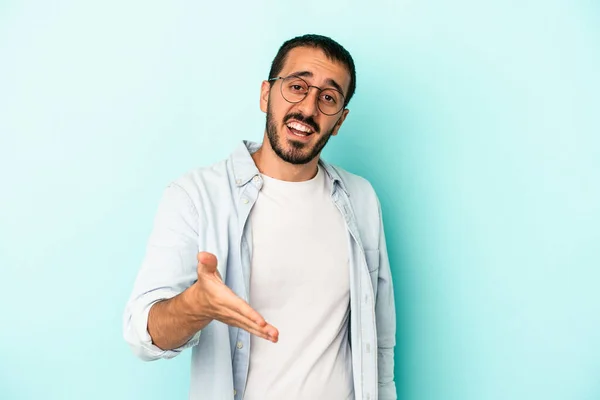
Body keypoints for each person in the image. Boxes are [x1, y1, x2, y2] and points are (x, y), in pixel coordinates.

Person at [123, 34, 396, 400]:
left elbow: (378, 341)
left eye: (328, 97)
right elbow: (143, 336)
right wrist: (196, 305)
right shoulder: (197, 196)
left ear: (340, 120)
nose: (309, 108)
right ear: (266, 94)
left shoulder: (361, 198)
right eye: (297, 86)